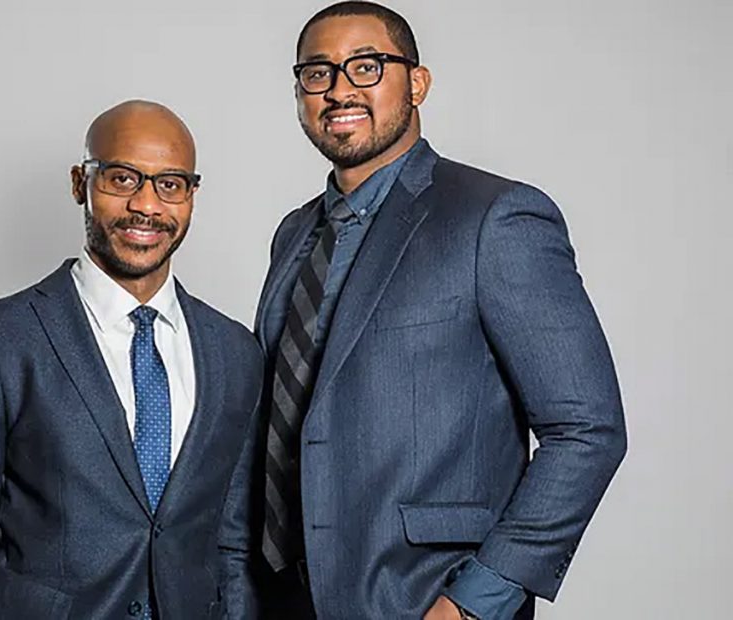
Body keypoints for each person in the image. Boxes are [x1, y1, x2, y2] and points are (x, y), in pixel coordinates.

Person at [246, 3, 628, 618]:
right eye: (318, 73)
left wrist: (476, 600)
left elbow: (587, 430)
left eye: (366, 66)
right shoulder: (294, 234)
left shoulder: (496, 218)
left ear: (416, 83)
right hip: (287, 599)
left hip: (423, 596)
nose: (340, 88)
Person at [0, 100, 263, 619]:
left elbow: (232, 544)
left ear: (190, 195)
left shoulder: (234, 352)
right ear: (80, 183)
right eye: (122, 179)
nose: (147, 205)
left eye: (170, 184)